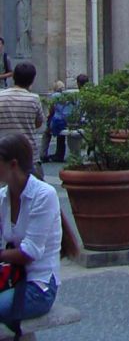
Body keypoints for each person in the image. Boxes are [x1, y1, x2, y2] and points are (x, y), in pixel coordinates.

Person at [0, 132, 61, 333]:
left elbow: (29, 253)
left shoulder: (44, 195)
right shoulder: (3, 197)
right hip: (12, 277)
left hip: (39, 286)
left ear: (13, 165)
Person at [0, 63, 44, 180]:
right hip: (29, 153)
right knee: (36, 187)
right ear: (32, 80)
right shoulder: (34, 99)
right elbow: (38, 123)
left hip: (3, 153)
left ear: (14, 77)